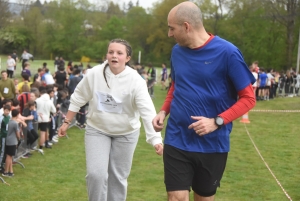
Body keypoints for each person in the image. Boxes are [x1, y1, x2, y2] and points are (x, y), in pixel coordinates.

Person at [152, 2, 256, 201]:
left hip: (212, 145)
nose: (169, 34)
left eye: (171, 28)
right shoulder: (177, 52)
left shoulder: (228, 53)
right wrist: (164, 111)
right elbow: (176, 86)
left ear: (186, 26)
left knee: (204, 199)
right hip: (177, 138)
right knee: (176, 197)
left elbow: (248, 98)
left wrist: (216, 122)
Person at [58, 38, 163, 201]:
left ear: (127, 58)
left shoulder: (136, 81)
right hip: (97, 129)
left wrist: (155, 139)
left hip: (126, 133)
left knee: (118, 178)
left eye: (119, 53)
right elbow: (78, 96)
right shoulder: (94, 74)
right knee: (95, 174)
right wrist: (66, 122)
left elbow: (147, 111)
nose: (114, 56)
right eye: (111, 52)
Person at [2, 109, 23, 177]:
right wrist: (19, 139)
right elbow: (17, 133)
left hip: (8, 140)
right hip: (12, 141)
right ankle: (6, 171)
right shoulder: (15, 123)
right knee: (9, 156)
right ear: (17, 115)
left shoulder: (10, 121)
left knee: (10, 156)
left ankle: (10, 171)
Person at [0, 105, 11, 172]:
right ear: (3, 110)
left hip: (8, 136)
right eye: (6, 110)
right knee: (2, 150)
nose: (7, 112)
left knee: (6, 151)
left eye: (8, 111)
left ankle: (3, 163)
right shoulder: (1, 118)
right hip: (3, 136)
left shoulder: (9, 117)